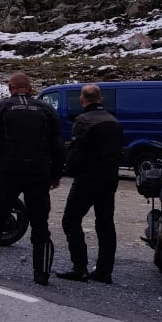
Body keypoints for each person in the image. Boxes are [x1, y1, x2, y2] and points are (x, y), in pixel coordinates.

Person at [0, 72, 64, 285]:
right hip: (39, 172)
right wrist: (56, 174)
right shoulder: (46, 109)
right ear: (30, 88)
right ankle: (41, 273)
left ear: (10, 87)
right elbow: (58, 146)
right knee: (40, 223)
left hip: (6, 171)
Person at [56, 84, 124, 284]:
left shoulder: (84, 121)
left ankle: (80, 267)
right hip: (109, 178)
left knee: (70, 220)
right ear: (100, 99)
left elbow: (78, 152)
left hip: (88, 178)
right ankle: (104, 271)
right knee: (105, 223)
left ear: (82, 100)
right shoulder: (114, 121)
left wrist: (67, 169)